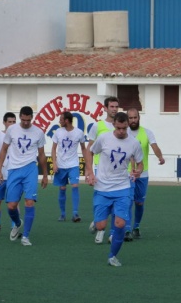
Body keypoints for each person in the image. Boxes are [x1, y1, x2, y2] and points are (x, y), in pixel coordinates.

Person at [85, 112, 143, 266]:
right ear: (114, 125)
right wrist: (90, 172)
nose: (122, 131)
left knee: (120, 224)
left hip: (122, 188)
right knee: (101, 226)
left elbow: (140, 163)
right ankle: (97, 223)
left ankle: (112, 256)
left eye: (124, 128)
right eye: (119, 128)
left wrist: (138, 171)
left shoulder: (134, 143)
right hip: (102, 187)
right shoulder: (104, 138)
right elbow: (89, 151)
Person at [0, 106, 48, 246]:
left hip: (31, 168)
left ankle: (26, 236)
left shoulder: (38, 132)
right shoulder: (12, 130)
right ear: (20, 117)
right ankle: (18, 223)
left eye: (28, 119)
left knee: (29, 202)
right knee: (12, 206)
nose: (26, 122)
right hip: (14, 169)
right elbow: (3, 149)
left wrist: (45, 174)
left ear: (32, 117)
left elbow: (42, 155)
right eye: (23, 120)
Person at [125, 108, 165, 241]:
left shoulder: (147, 133)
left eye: (135, 117)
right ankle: (127, 229)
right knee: (128, 201)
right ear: (127, 119)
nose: (133, 120)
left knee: (139, 203)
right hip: (126, 174)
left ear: (139, 118)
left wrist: (160, 157)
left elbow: (154, 146)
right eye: (130, 118)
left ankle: (136, 227)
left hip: (143, 174)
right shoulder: (123, 133)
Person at [87, 96, 119, 244]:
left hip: (117, 171)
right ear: (105, 108)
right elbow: (90, 149)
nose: (114, 109)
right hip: (100, 169)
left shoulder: (121, 126)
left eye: (116, 106)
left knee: (115, 202)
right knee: (100, 201)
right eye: (111, 106)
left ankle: (112, 233)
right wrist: (89, 171)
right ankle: (100, 228)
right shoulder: (97, 126)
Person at [51, 111, 87, 222]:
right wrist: (54, 163)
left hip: (73, 165)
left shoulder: (79, 133)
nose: (59, 121)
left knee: (75, 185)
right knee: (62, 188)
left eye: (61, 119)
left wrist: (87, 165)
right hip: (61, 165)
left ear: (66, 120)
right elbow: (53, 148)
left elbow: (83, 148)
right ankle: (62, 214)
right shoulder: (58, 132)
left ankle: (75, 214)